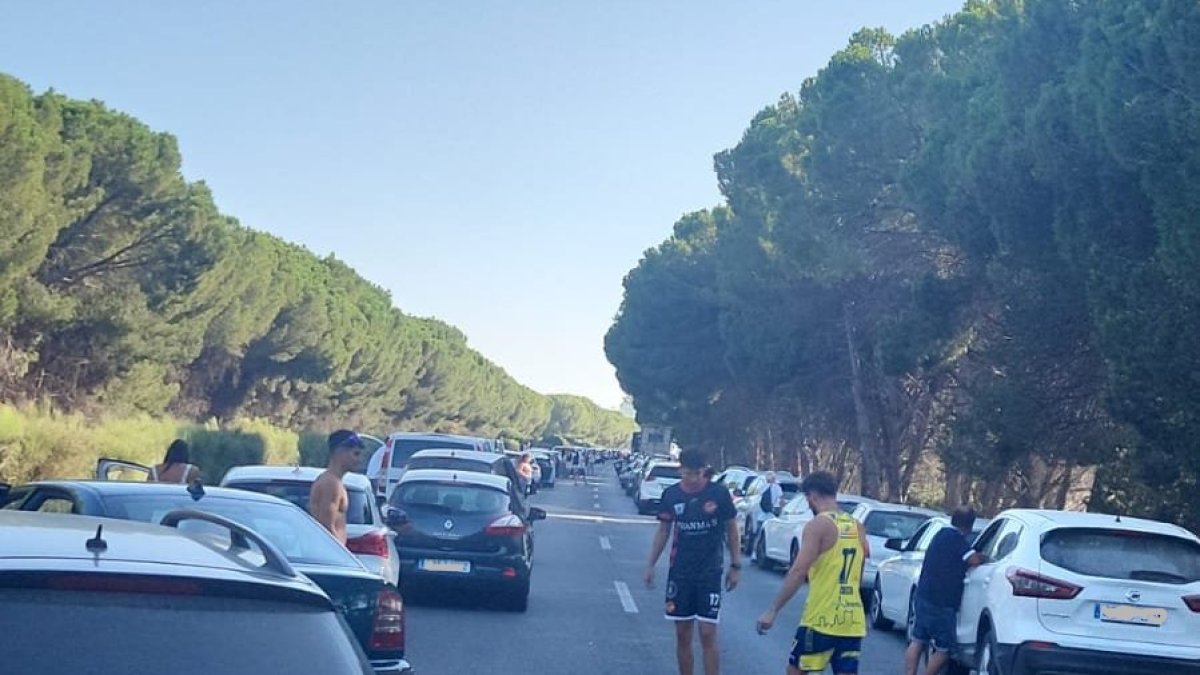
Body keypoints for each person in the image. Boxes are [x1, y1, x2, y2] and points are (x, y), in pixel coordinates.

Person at [756, 471, 868, 675]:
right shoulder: (857, 526)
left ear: (812, 496)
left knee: (796, 670)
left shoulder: (818, 525)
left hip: (821, 618)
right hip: (852, 620)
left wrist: (773, 610)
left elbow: (799, 571)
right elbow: (858, 572)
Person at [645, 449, 741, 675]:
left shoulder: (718, 493)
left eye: (698, 473)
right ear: (681, 470)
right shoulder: (671, 495)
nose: (694, 479)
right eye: (689, 473)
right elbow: (663, 531)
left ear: (704, 471)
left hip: (710, 572)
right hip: (681, 573)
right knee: (683, 633)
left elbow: (732, 529)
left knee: (708, 633)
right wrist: (650, 564)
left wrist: (736, 565)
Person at [904, 507, 985, 675]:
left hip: (924, 594)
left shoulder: (939, 534)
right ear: (969, 525)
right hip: (942, 602)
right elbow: (973, 560)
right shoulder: (957, 540)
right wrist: (984, 556)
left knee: (918, 640)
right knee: (944, 649)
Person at [310, 429, 365, 545]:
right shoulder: (331, 484)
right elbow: (326, 527)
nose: (360, 460)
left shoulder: (334, 482)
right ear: (340, 453)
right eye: (356, 454)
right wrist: (341, 557)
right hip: (329, 556)